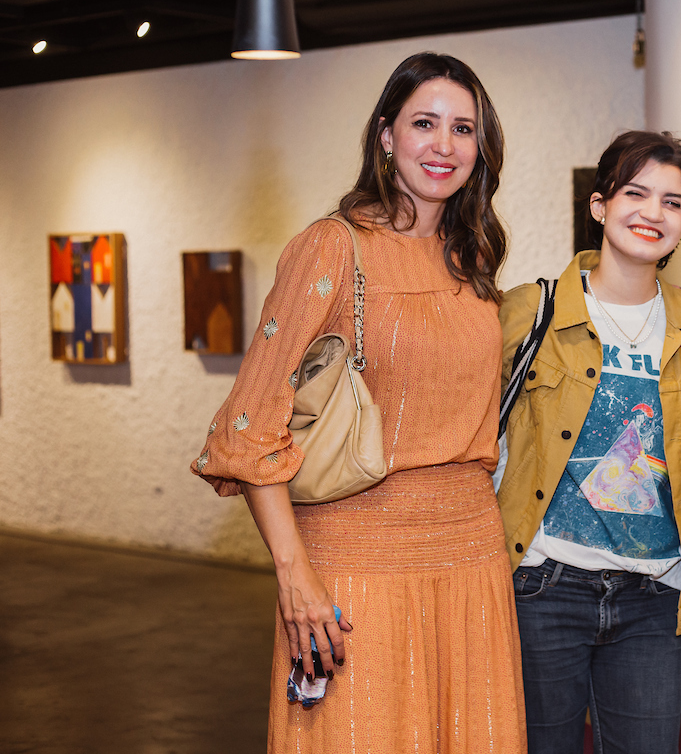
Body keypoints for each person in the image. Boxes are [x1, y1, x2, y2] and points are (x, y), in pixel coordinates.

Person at [191, 52, 525, 753]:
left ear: (480, 148)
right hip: (355, 562)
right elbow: (248, 429)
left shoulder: (473, 257)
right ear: (385, 135)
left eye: (463, 129)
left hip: (472, 560)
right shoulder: (330, 249)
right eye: (424, 123)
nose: (444, 145)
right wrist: (295, 577)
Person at [495, 130, 681, 754]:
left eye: (672, 202)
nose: (652, 213)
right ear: (600, 206)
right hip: (543, 586)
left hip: (654, 595)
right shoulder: (529, 313)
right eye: (636, 193)